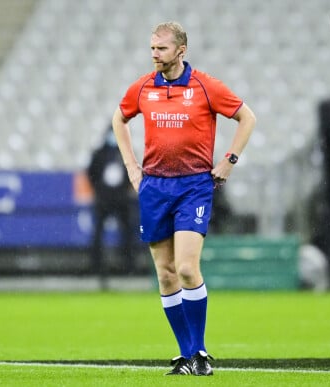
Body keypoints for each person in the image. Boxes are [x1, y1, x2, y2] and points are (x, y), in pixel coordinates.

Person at [111, 21, 256, 376]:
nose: (154, 54)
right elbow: (119, 117)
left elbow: (246, 117)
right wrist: (132, 166)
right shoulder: (144, 87)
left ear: (181, 50)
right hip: (155, 188)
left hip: (194, 186)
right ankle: (186, 355)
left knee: (188, 269)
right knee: (165, 275)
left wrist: (229, 160)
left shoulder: (206, 86)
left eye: (161, 48)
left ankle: (201, 352)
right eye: (151, 48)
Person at [86, 125, 138, 276]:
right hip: (104, 199)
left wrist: (125, 188)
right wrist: (99, 190)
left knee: (127, 232)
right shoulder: (100, 154)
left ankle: (128, 265)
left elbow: (134, 172)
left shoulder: (126, 153)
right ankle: (96, 265)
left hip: (121, 199)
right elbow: (91, 173)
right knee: (98, 232)